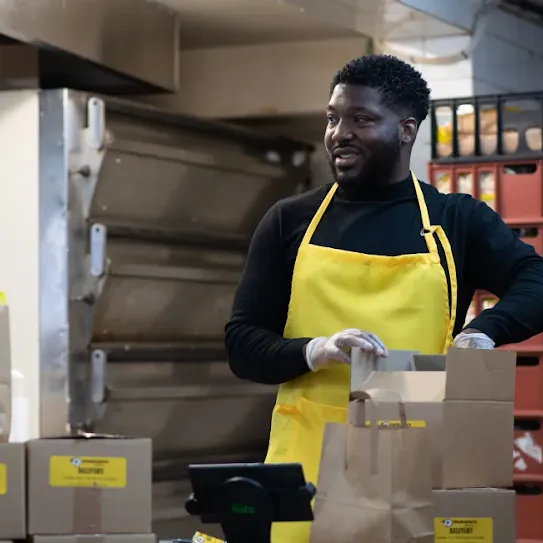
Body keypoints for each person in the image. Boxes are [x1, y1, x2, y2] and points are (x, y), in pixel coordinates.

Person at [225, 54, 543, 543]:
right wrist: (316, 350)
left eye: (361, 119)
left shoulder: (454, 220)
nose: (339, 132)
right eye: (333, 117)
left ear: (406, 130)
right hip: (306, 464)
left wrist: (483, 332)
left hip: (420, 456)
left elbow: (534, 279)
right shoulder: (289, 221)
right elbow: (243, 344)